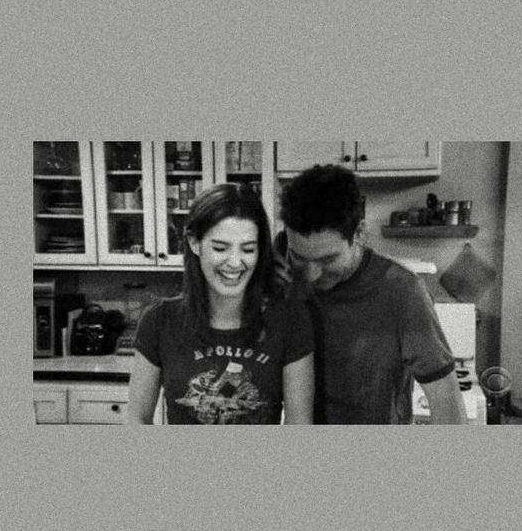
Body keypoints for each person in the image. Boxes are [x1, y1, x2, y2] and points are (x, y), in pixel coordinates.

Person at [276, 164, 468, 424]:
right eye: (299, 257)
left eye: (328, 260)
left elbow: (447, 404)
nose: (311, 275)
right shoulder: (278, 276)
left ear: (359, 233)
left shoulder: (402, 291)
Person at [127, 184, 314, 424]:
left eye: (248, 249)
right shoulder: (159, 321)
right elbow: (136, 420)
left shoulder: (291, 320)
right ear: (195, 244)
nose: (235, 262)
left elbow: (299, 428)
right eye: (220, 248)